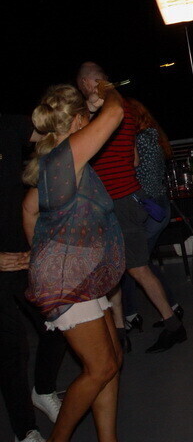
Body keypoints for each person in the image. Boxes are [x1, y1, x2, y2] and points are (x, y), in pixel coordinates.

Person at [21, 83, 126, 442]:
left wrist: (39, 253)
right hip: (67, 278)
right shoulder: (66, 157)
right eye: (87, 120)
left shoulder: (60, 161)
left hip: (81, 274)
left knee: (112, 361)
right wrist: (107, 89)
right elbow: (115, 112)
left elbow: (29, 208)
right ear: (79, 121)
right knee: (101, 367)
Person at [76, 62, 185, 353]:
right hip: (127, 198)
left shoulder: (101, 116)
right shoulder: (122, 110)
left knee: (137, 268)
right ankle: (121, 331)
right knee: (114, 269)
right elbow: (134, 160)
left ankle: (173, 326)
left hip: (118, 202)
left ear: (86, 84)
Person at [1, 114, 67, 442]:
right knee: (12, 347)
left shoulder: (7, 126)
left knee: (58, 324)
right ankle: (25, 430)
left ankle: (43, 390)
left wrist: (93, 104)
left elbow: (56, 125)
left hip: (25, 254)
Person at [119, 98, 183, 333]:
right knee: (140, 262)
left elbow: (133, 173)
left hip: (149, 207)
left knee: (134, 263)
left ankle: (130, 314)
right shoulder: (152, 136)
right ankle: (170, 308)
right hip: (158, 206)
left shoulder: (139, 140)